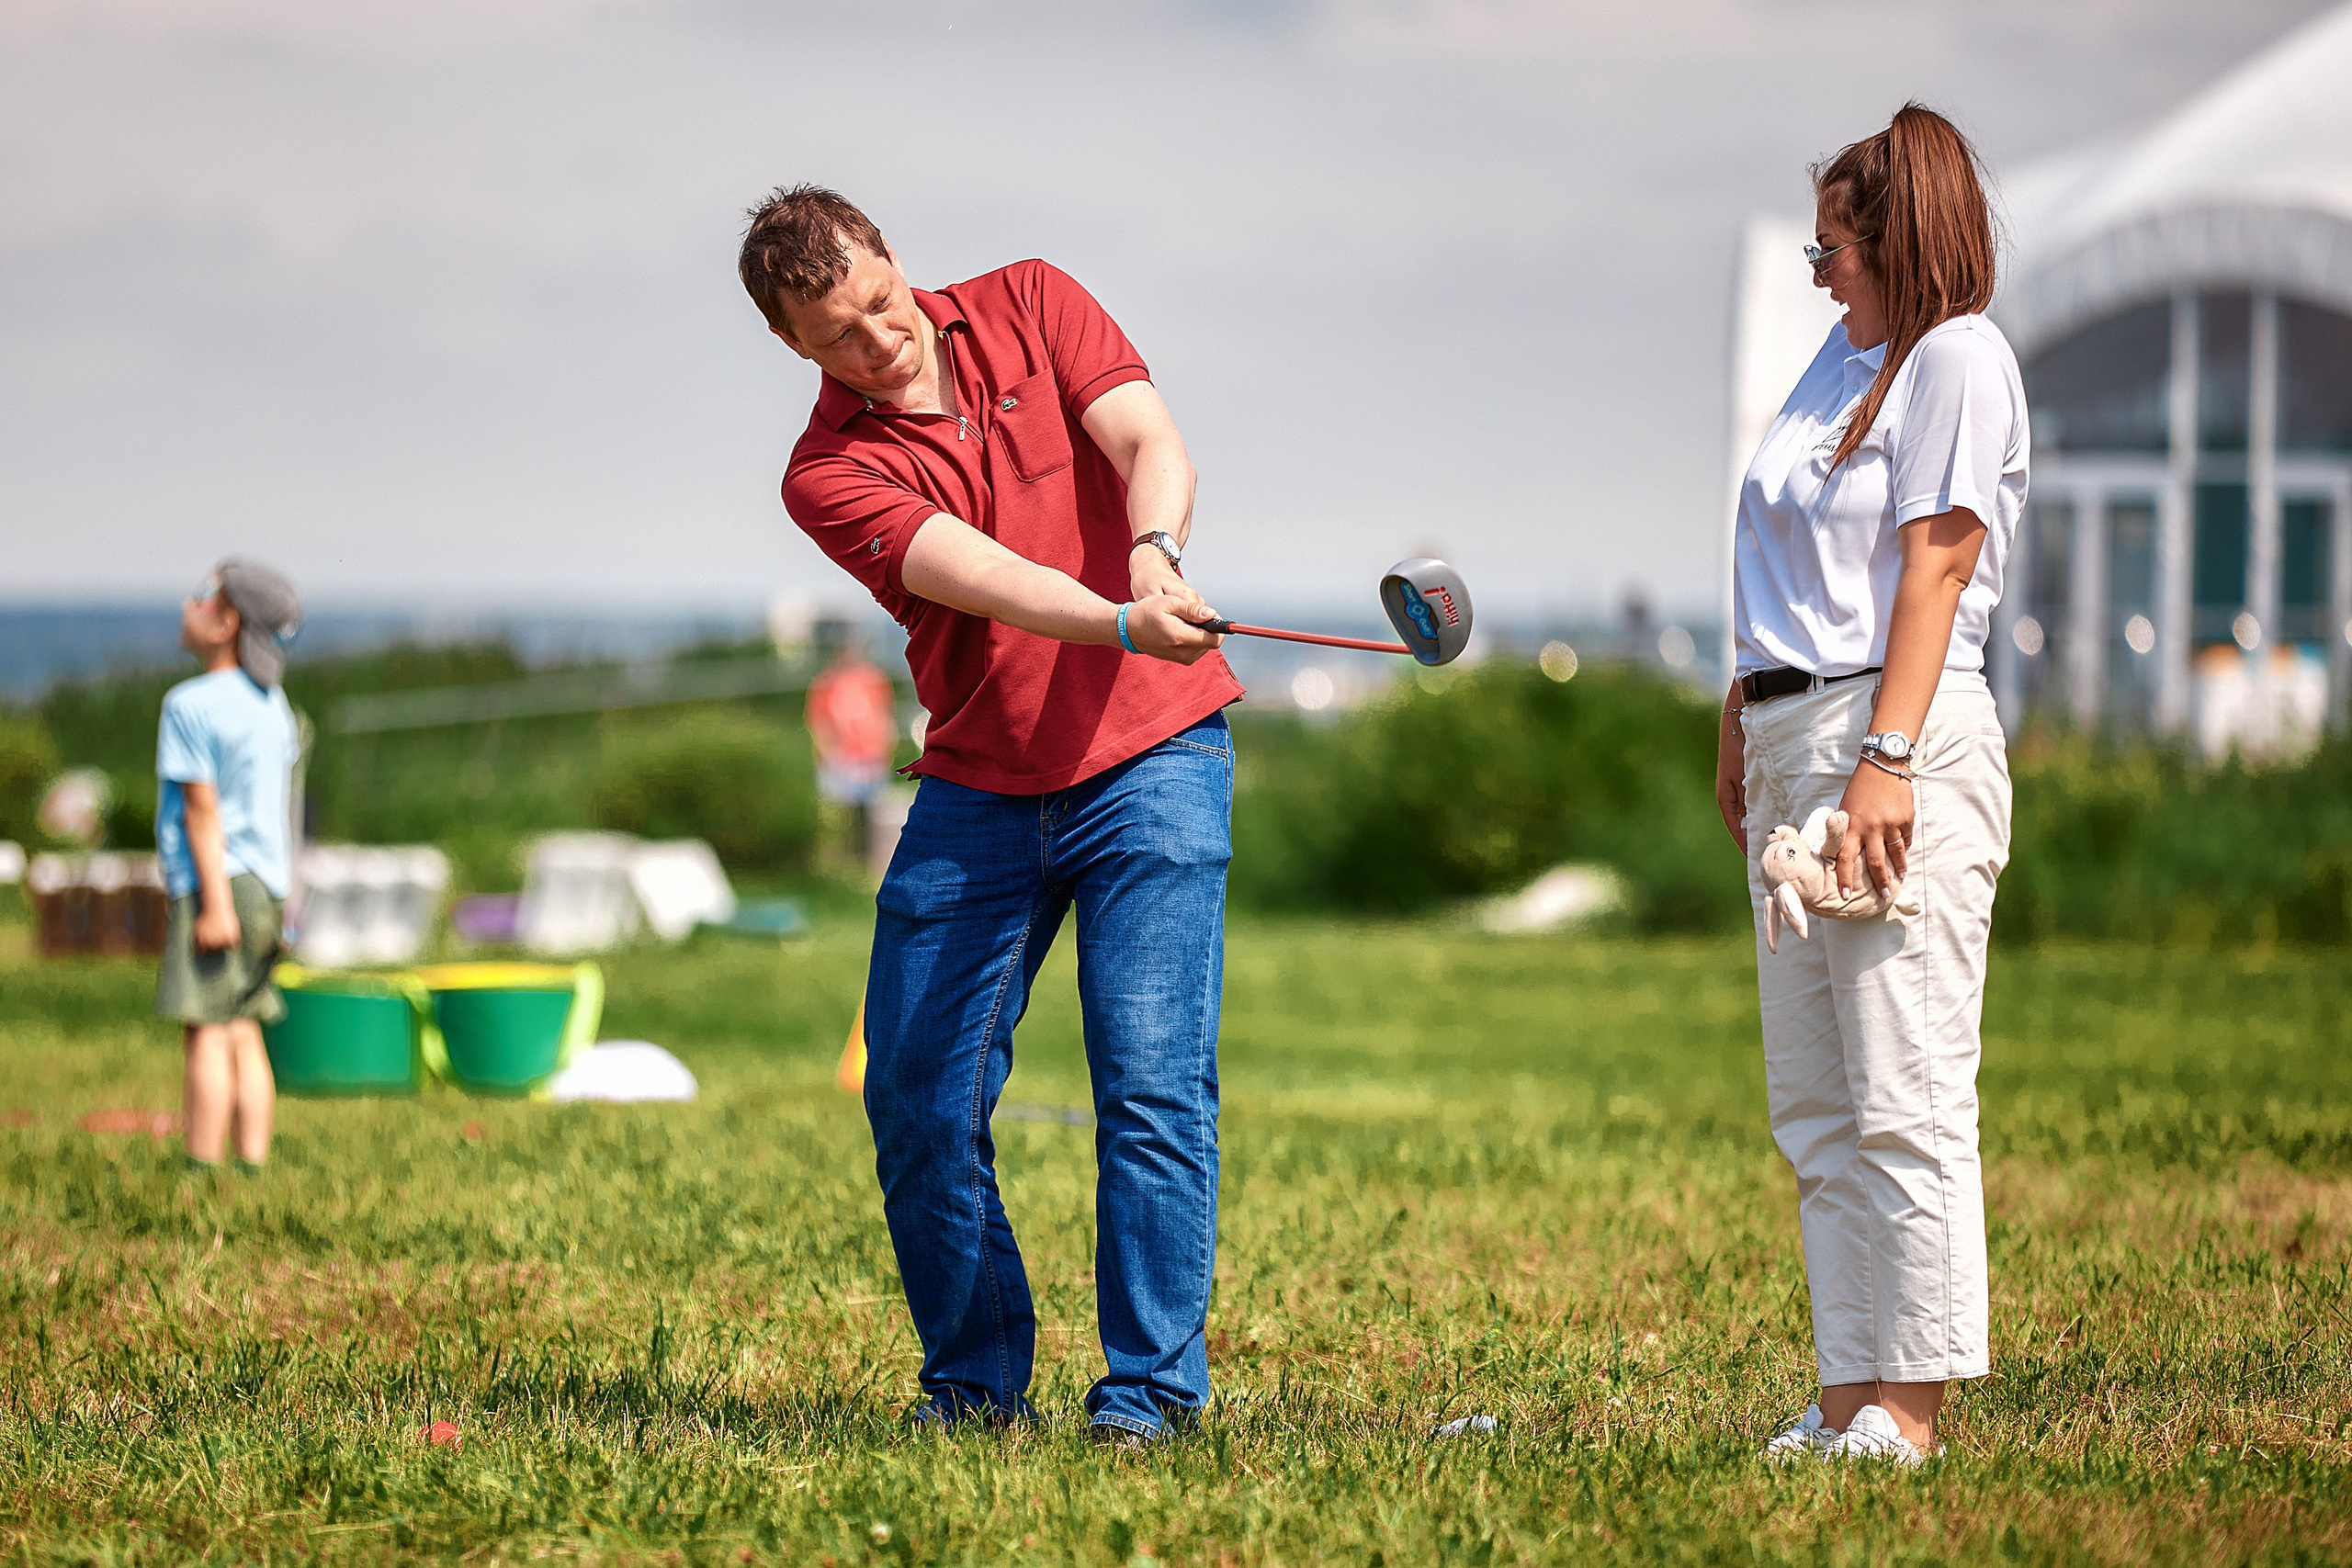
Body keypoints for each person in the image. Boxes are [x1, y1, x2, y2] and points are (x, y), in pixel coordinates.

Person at [739, 186, 1242, 1444]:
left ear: (891, 256)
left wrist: (1154, 549)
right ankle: (975, 1389)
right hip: (980, 782)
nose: (879, 339)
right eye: (838, 335)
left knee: (1152, 1086)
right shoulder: (827, 473)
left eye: (879, 301)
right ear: (792, 347)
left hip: (1156, 752)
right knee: (915, 1092)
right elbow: (986, 576)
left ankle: (1149, 1401)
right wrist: (1117, 616)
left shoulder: (1032, 298)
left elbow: (1149, 438)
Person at [1715, 105, 2027, 1465]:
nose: (1819, 273)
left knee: (1906, 1086)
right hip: (1795, 728)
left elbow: (1936, 568)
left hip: (1890, 736)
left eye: (1832, 249)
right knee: (1818, 1104)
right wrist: (1741, 711)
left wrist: (1884, 762)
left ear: (1897, 239)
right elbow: (1786, 566)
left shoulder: (1954, 359)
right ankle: (1848, 1394)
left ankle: (1912, 1408)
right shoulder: (1840, 366)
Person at [154, 560, 304, 1174]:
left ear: (226, 623)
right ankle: (252, 1162)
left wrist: (214, 906)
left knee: (207, 1030)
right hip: (268, 885)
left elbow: (202, 813)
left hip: (219, 882)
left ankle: (202, 1168)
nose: (187, 603)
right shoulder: (273, 704)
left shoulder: (189, 705)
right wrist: (288, 901)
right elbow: (284, 806)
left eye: (202, 595)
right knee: (244, 1026)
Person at [803, 628, 899, 868]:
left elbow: (883, 715)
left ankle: (866, 861)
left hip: (870, 755)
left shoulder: (875, 679)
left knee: (869, 814)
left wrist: (885, 747)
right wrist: (829, 753)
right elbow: (819, 722)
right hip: (841, 756)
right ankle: (838, 863)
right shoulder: (825, 682)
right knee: (838, 815)